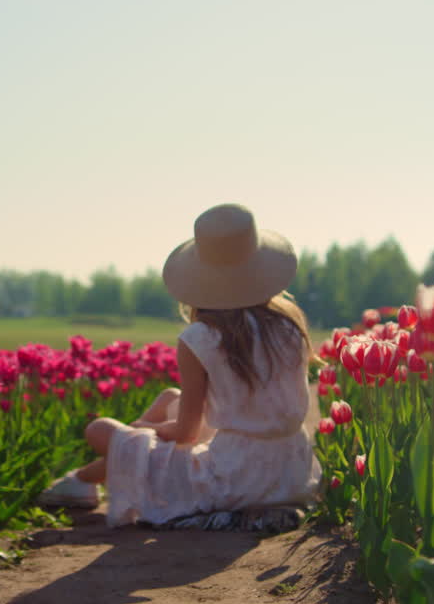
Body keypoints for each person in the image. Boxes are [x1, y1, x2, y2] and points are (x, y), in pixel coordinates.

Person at [37, 203, 323, 527]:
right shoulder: (289, 326)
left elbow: (185, 433)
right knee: (168, 399)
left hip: (235, 480)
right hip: (292, 472)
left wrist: (141, 431)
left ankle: (84, 480)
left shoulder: (200, 337)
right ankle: (83, 483)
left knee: (100, 430)